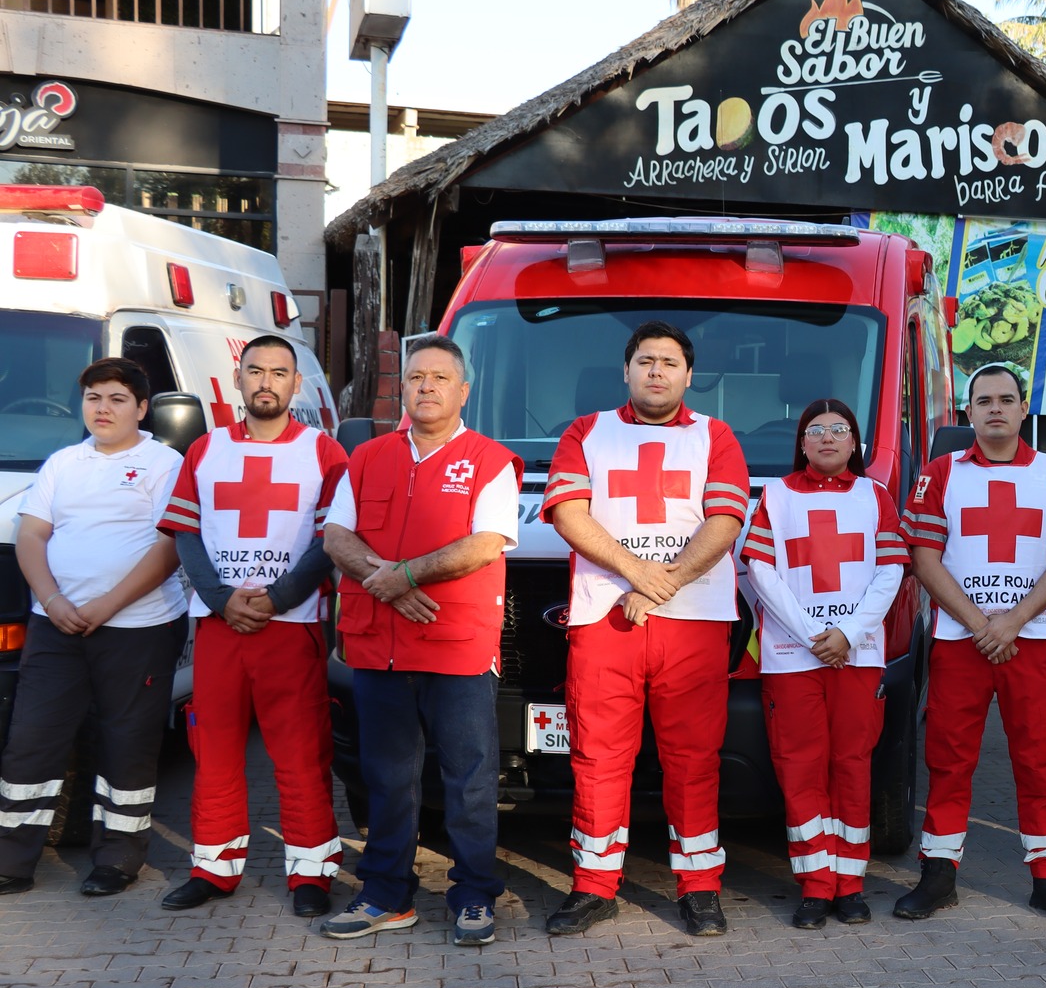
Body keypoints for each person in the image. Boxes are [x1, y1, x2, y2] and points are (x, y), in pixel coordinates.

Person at [541, 321, 748, 939]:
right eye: (646, 361)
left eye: (669, 362)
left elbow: (726, 520)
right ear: (626, 371)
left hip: (694, 622)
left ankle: (700, 888)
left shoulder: (716, 435)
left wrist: (662, 584)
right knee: (598, 756)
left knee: (694, 758)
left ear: (689, 375)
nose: (657, 371)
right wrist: (639, 574)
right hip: (606, 618)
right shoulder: (586, 432)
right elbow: (568, 513)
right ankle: (594, 886)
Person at [320, 336, 521, 945]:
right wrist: (391, 585)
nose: (426, 386)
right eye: (415, 377)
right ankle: (386, 895)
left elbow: (486, 543)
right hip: (379, 649)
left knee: (469, 779)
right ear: (403, 388)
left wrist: (402, 576)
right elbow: (336, 537)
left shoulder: (490, 461)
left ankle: (474, 896)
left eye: (439, 377)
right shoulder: (367, 457)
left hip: (456, 646)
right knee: (386, 778)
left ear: (463, 391)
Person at [896, 364, 1046, 924]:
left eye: (1006, 399)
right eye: (983, 400)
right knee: (948, 759)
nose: (995, 409)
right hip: (960, 641)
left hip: (1028, 640)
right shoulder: (941, 472)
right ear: (968, 412)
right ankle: (938, 875)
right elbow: (924, 559)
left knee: (1038, 760)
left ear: (1023, 409)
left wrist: (1012, 621)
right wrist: (981, 624)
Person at [157, 335, 349, 917]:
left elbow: (332, 539)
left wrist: (279, 596)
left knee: (300, 752)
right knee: (213, 749)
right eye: (256, 371)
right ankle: (213, 869)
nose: (267, 382)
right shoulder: (205, 449)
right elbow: (186, 532)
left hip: (292, 625)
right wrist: (221, 600)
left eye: (279, 373)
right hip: (220, 626)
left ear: (296, 384)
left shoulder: (324, 452)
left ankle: (311, 873)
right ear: (239, 379)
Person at [0, 358, 186, 897]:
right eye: (93, 398)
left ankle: (117, 860)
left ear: (142, 408)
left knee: (128, 743)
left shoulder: (164, 463)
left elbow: (170, 546)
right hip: (55, 626)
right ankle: (11, 860)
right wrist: (52, 599)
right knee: (32, 740)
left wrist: (107, 604)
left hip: (139, 627)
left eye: (117, 399)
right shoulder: (63, 463)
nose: (102, 409)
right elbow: (31, 536)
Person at [742, 399, 907, 928]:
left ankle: (850, 885)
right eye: (817, 430)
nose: (828, 437)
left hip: (857, 654)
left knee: (852, 764)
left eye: (839, 429)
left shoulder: (875, 495)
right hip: (794, 656)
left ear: (856, 442)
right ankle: (815, 885)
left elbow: (891, 571)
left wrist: (848, 634)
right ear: (802, 442)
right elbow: (761, 571)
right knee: (800, 766)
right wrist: (813, 635)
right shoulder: (776, 495)